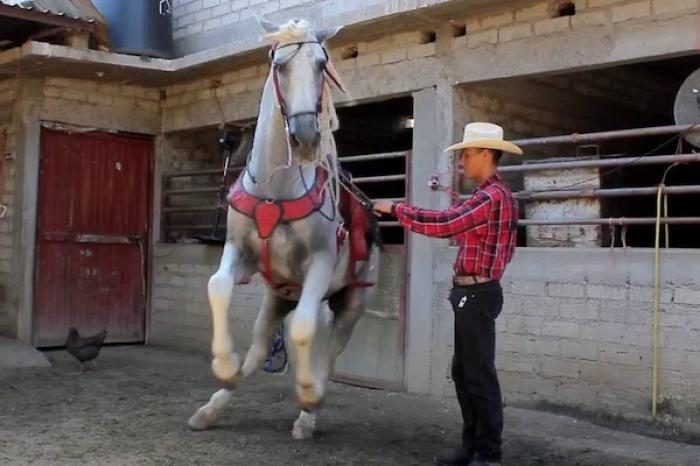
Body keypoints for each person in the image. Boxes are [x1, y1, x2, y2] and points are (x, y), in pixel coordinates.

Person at [373, 122, 522, 466]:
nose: (462, 162)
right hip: (475, 293)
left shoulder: (490, 197)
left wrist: (396, 209)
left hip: (477, 294)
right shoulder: (494, 196)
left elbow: (445, 225)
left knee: (478, 375)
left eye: (467, 155)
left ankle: (487, 453)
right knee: (466, 372)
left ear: (485, 154)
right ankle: (474, 447)